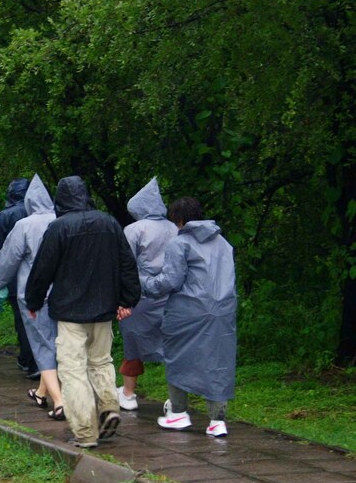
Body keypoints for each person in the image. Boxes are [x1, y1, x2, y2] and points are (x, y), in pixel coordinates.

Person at [24, 176, 140, 448]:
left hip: (70, 312)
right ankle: (109, 406)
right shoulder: (109, 223)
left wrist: (33, 300)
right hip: (104, 309)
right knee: (101, 361)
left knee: (73, 370)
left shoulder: (58, 228)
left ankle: (86, 432)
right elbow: (127, 264)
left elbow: (43, 269)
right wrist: (127, 300)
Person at [142, 197, 237, 437]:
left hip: (187, 311)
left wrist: (143, 284)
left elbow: (171, 281)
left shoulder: (180, 243)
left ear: (179, 220)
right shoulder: (223, 243)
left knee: (178, 359)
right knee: (218, 363)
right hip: (222, 311)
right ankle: (217, 421)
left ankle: (178, 413)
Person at [0, 175, 65, 419]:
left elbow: (7, 261)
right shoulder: (61, 221)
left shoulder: (24, 225)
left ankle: (60, 402)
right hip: (63, 293)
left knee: (43, 345)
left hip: (32, 296)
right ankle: (41, 392)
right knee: (55, 342)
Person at [117, 178, 177, 410]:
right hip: (170, 296)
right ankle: (175, 400)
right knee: (172, 346)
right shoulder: (175, 228)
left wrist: (121, 299)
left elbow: (125, 265)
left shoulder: (133, 230)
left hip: (139, 296)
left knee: (132, 343)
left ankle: (129, 394)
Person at [0, 178, 39, 380]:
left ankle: (30, 361)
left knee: (23, 320)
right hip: (46, 276)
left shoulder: (6, 216)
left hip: (17, 279)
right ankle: (36, 361)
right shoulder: (47, 213)